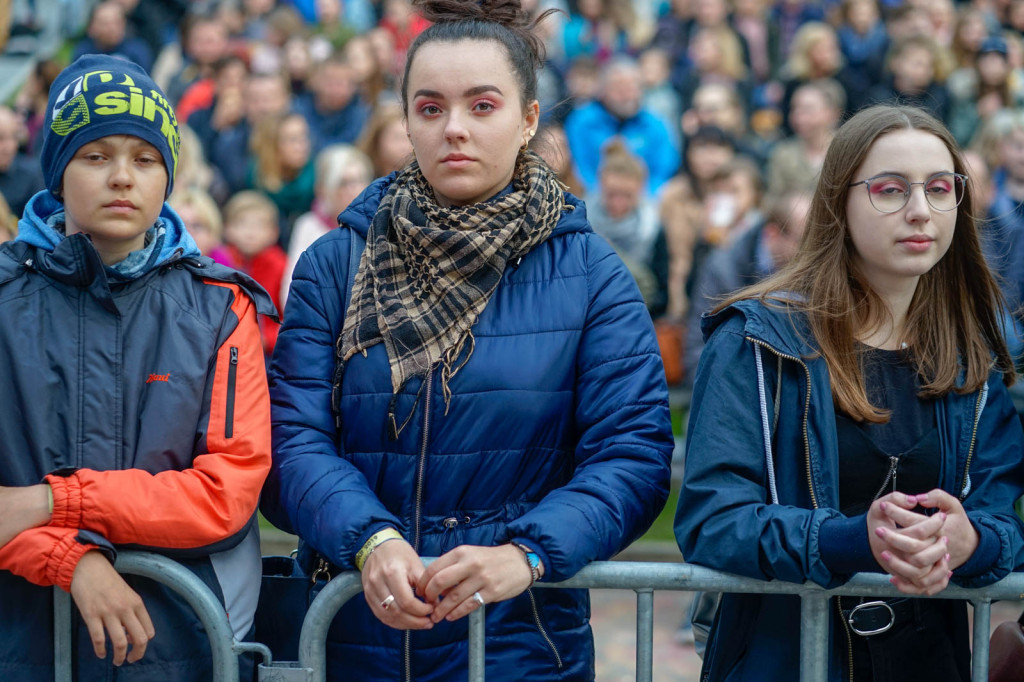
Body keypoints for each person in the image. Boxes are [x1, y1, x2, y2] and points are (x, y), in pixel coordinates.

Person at [260, 0, 675, 678]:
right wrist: (370, 538)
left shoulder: (592, 274)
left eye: (482, 106)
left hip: (520, 640)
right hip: (354, 636)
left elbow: (632, 454)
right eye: (430, 108)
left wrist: (526, 554)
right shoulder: (336, 265)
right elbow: (291, 438)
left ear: (529, 120)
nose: (454, 129)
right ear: (406, 121)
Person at [675, 104, 1024, 682]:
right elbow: (713, 520)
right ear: (839, 200)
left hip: (927, 661)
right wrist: (851, 540)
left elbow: (1002, 517)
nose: (920, 210)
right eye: (890, 190)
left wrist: (971, 541)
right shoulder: (757, 339)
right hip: (788, 659)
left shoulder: (969, 349)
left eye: (940, 188)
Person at [0, 54, 274, 680]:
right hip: (20, 643)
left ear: (168, 175)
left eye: (144, 158)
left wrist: (52, 501)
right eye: (96, 155)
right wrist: (71, 561)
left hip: (172, 647)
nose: (122, 177)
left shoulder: (218, 306)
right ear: (58, 171)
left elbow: (225, 493)